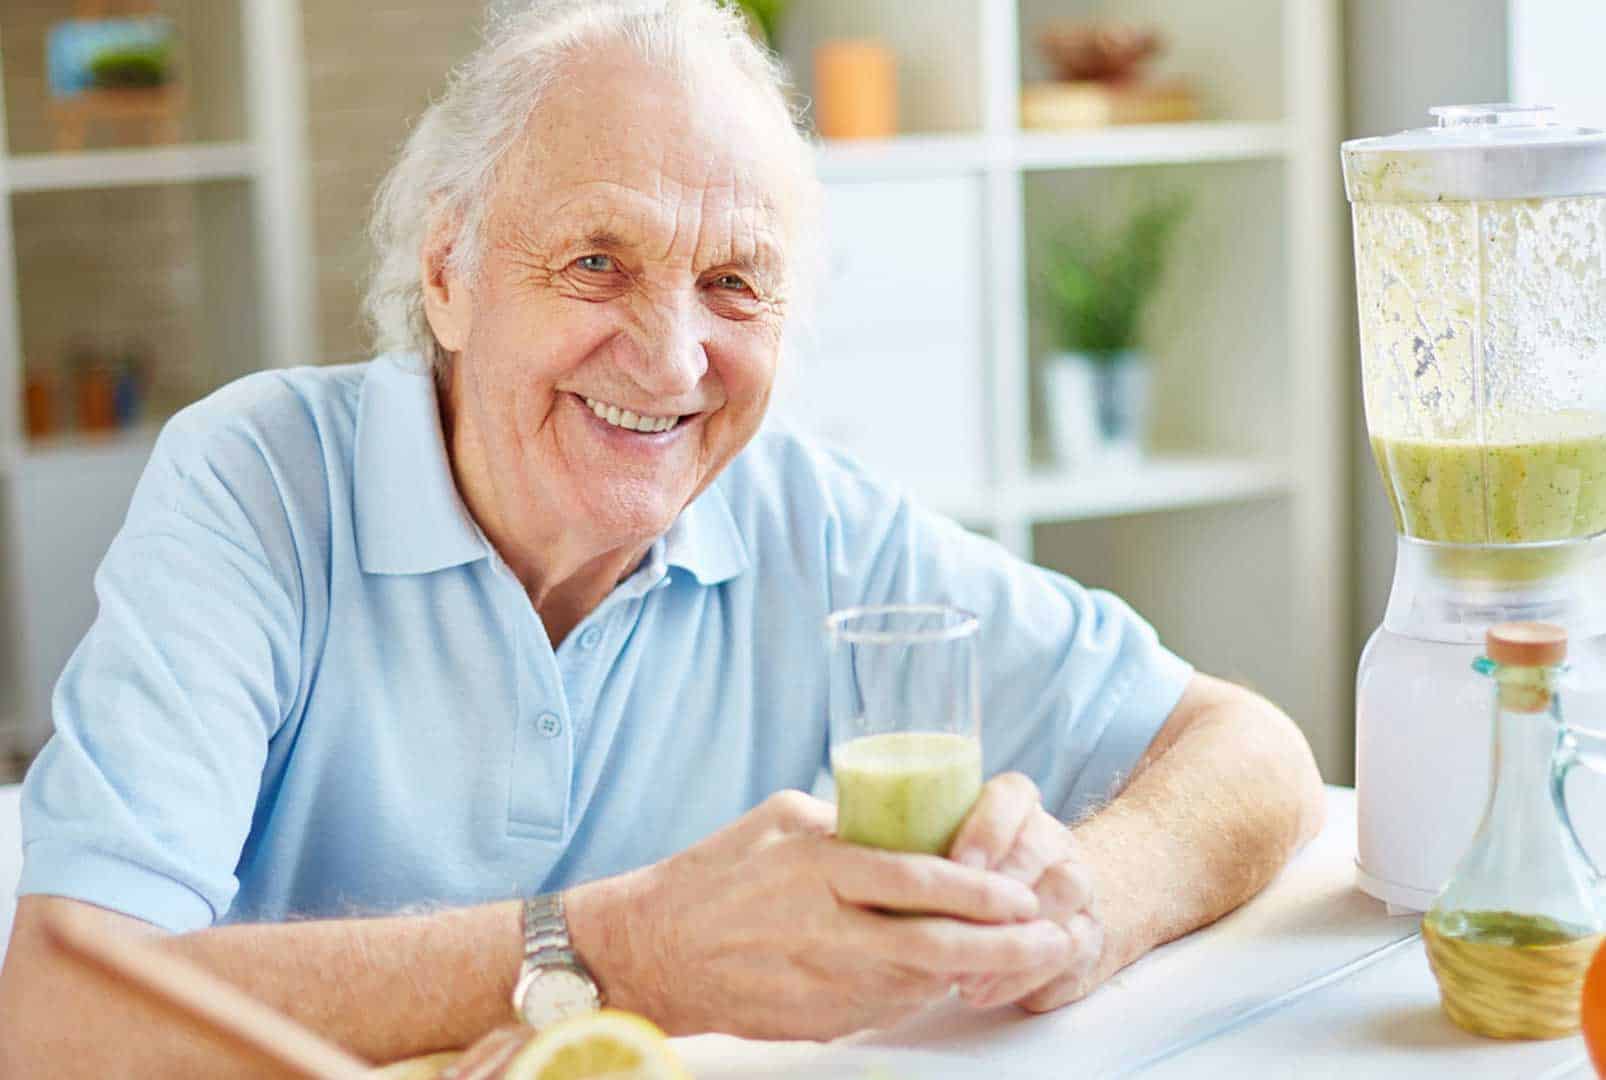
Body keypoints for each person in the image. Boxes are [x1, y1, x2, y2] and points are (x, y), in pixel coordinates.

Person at [0, 0, 1326, 1073]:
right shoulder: (263, 481)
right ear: (449, 276)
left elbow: (1249, 753)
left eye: (733, 282)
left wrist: (1091, 898)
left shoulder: (810, 517)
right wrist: (610, 952)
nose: (672, 357)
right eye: (595, 263)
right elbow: (60, 1015)